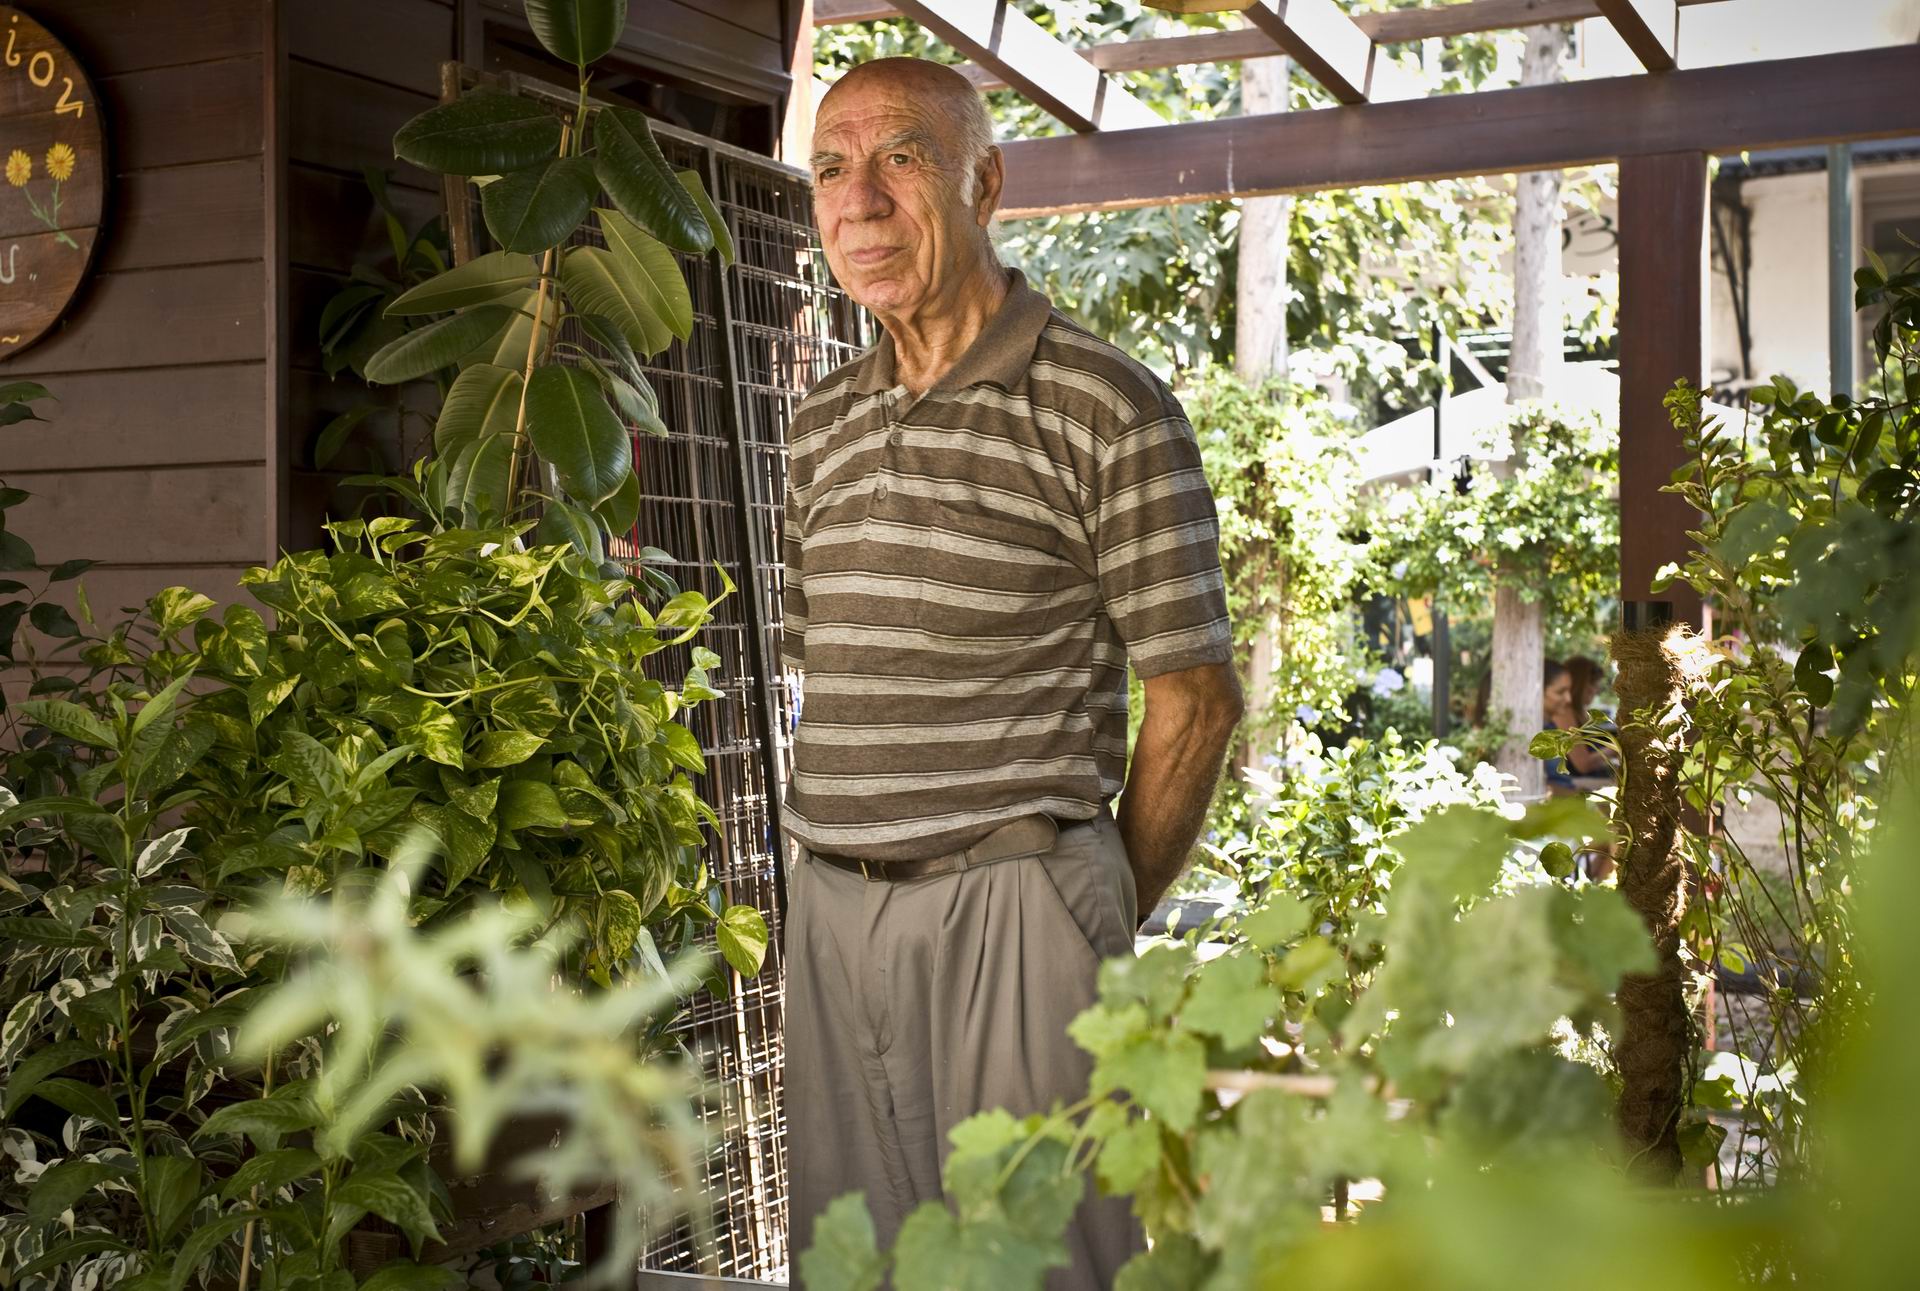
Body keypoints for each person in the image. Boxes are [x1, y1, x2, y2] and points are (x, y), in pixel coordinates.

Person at [780, 57, 1243, 1288]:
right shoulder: (818, 424)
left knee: (1040, 1266)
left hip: (1014, 902)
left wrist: (1075, 914)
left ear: (987, 181)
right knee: (849, 1268)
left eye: (901, 159)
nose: (858, 201)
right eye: (831, 169)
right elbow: (819, 664)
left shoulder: (1106, 402)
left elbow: (1197, 699)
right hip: (828, 911)